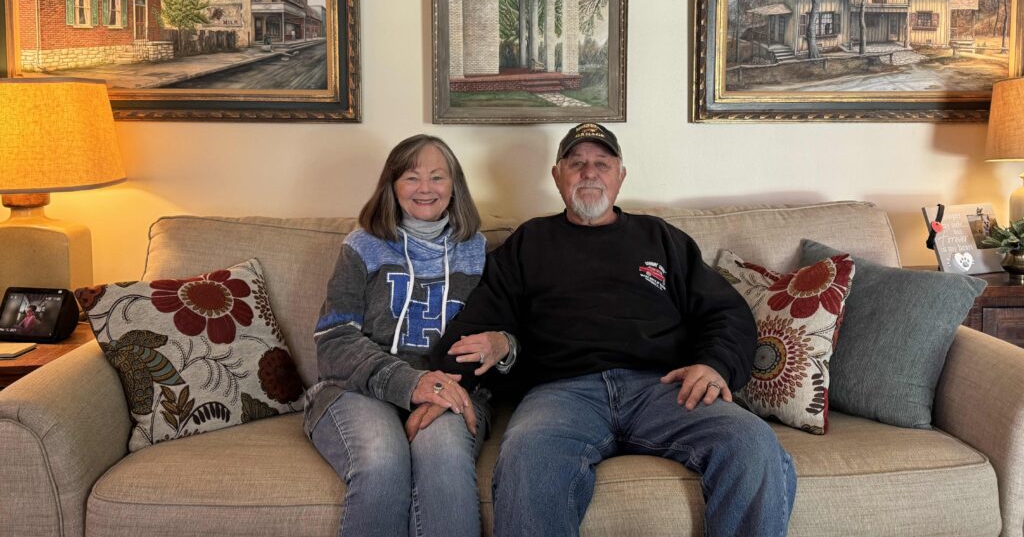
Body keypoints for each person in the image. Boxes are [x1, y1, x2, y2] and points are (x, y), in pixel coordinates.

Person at [434, 122, 797, 537]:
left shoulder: (662, 238)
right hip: (561, 393)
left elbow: (727, 313)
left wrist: (715, 365)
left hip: (663, 387)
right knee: (527, 456)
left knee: (750, 442)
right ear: (557, 176)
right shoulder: (528, 242)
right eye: (577, 163)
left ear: (620, 176)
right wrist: (447, 377)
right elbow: (471, 332)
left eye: (602, 164)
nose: (590, 173)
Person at [304, 134, 494, 537]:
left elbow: (492, 338)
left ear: (454, 186)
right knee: (382, 461)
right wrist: (411, 383)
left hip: (450, 387)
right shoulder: (362, 246)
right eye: (411, 177)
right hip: (358, 388)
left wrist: (444, 385)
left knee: (442, 457)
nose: (425, 188)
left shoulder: (477, 251)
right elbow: (334, 339)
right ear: (392, 186)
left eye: (437, 177)